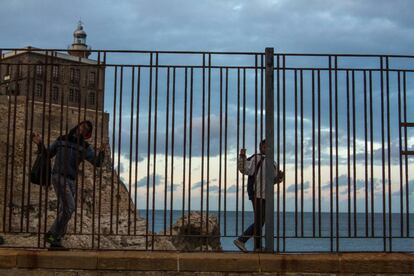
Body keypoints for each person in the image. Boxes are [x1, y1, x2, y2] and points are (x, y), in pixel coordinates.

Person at [32, 120, 105, 248]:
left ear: (87, 133)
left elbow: (97, 162)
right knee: (69, 207)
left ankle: (56, 241)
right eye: (83, 126)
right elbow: (47, 153)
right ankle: (51, 234)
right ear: (78, 126)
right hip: (58, 177)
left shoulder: (85, 147)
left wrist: (103, 152)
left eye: (87, 129)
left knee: (63, 209)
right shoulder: (62, 139)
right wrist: (40, 143)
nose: (83, 129)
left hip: (71, 180)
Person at [233, 139, 283, 252]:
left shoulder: (273, 163)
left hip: (266, 195)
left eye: (268, 147)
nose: (267, 149)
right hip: (256, 193)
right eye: (264, 147)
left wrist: (279, 178)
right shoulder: (256, 158)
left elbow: (272, 181)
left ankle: (257, 247)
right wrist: (242, 156)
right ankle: (242, 240)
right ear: (261, 148)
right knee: (260, 221)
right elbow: (243, 169)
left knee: (260, 221)